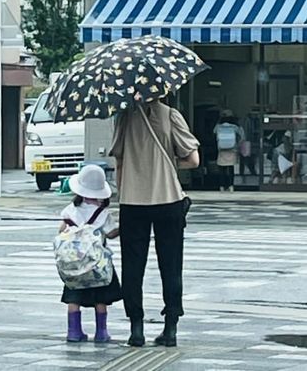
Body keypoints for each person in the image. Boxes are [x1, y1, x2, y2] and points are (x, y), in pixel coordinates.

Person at [110, 100, 200, 348]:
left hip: (132, 201)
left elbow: (119, 162)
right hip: (168, 199)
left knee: (132, 266)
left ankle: (136, 329)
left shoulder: (124, 118)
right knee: (171, 265)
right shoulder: (172, 116)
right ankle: (170, 327)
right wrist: (169, 162)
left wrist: (122, 198)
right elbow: (193, 160)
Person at [58, 164, 122, 343]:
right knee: (100, 299)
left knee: (74, 298)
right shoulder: (103, 214)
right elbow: (111, 233)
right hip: (97, 265)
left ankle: (74, 331)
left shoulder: (70, 210)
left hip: (75, 264)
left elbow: (61, 231)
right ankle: (101, 332)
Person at [214, 110, 244, 192]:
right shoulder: (234, 127)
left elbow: (214, 132)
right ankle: (231, 186)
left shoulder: (219, 127)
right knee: (231, 168)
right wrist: (237, 145)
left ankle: (222, 186)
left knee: (222, 169)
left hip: (221, 150)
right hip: (232, 149)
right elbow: (242, 135)